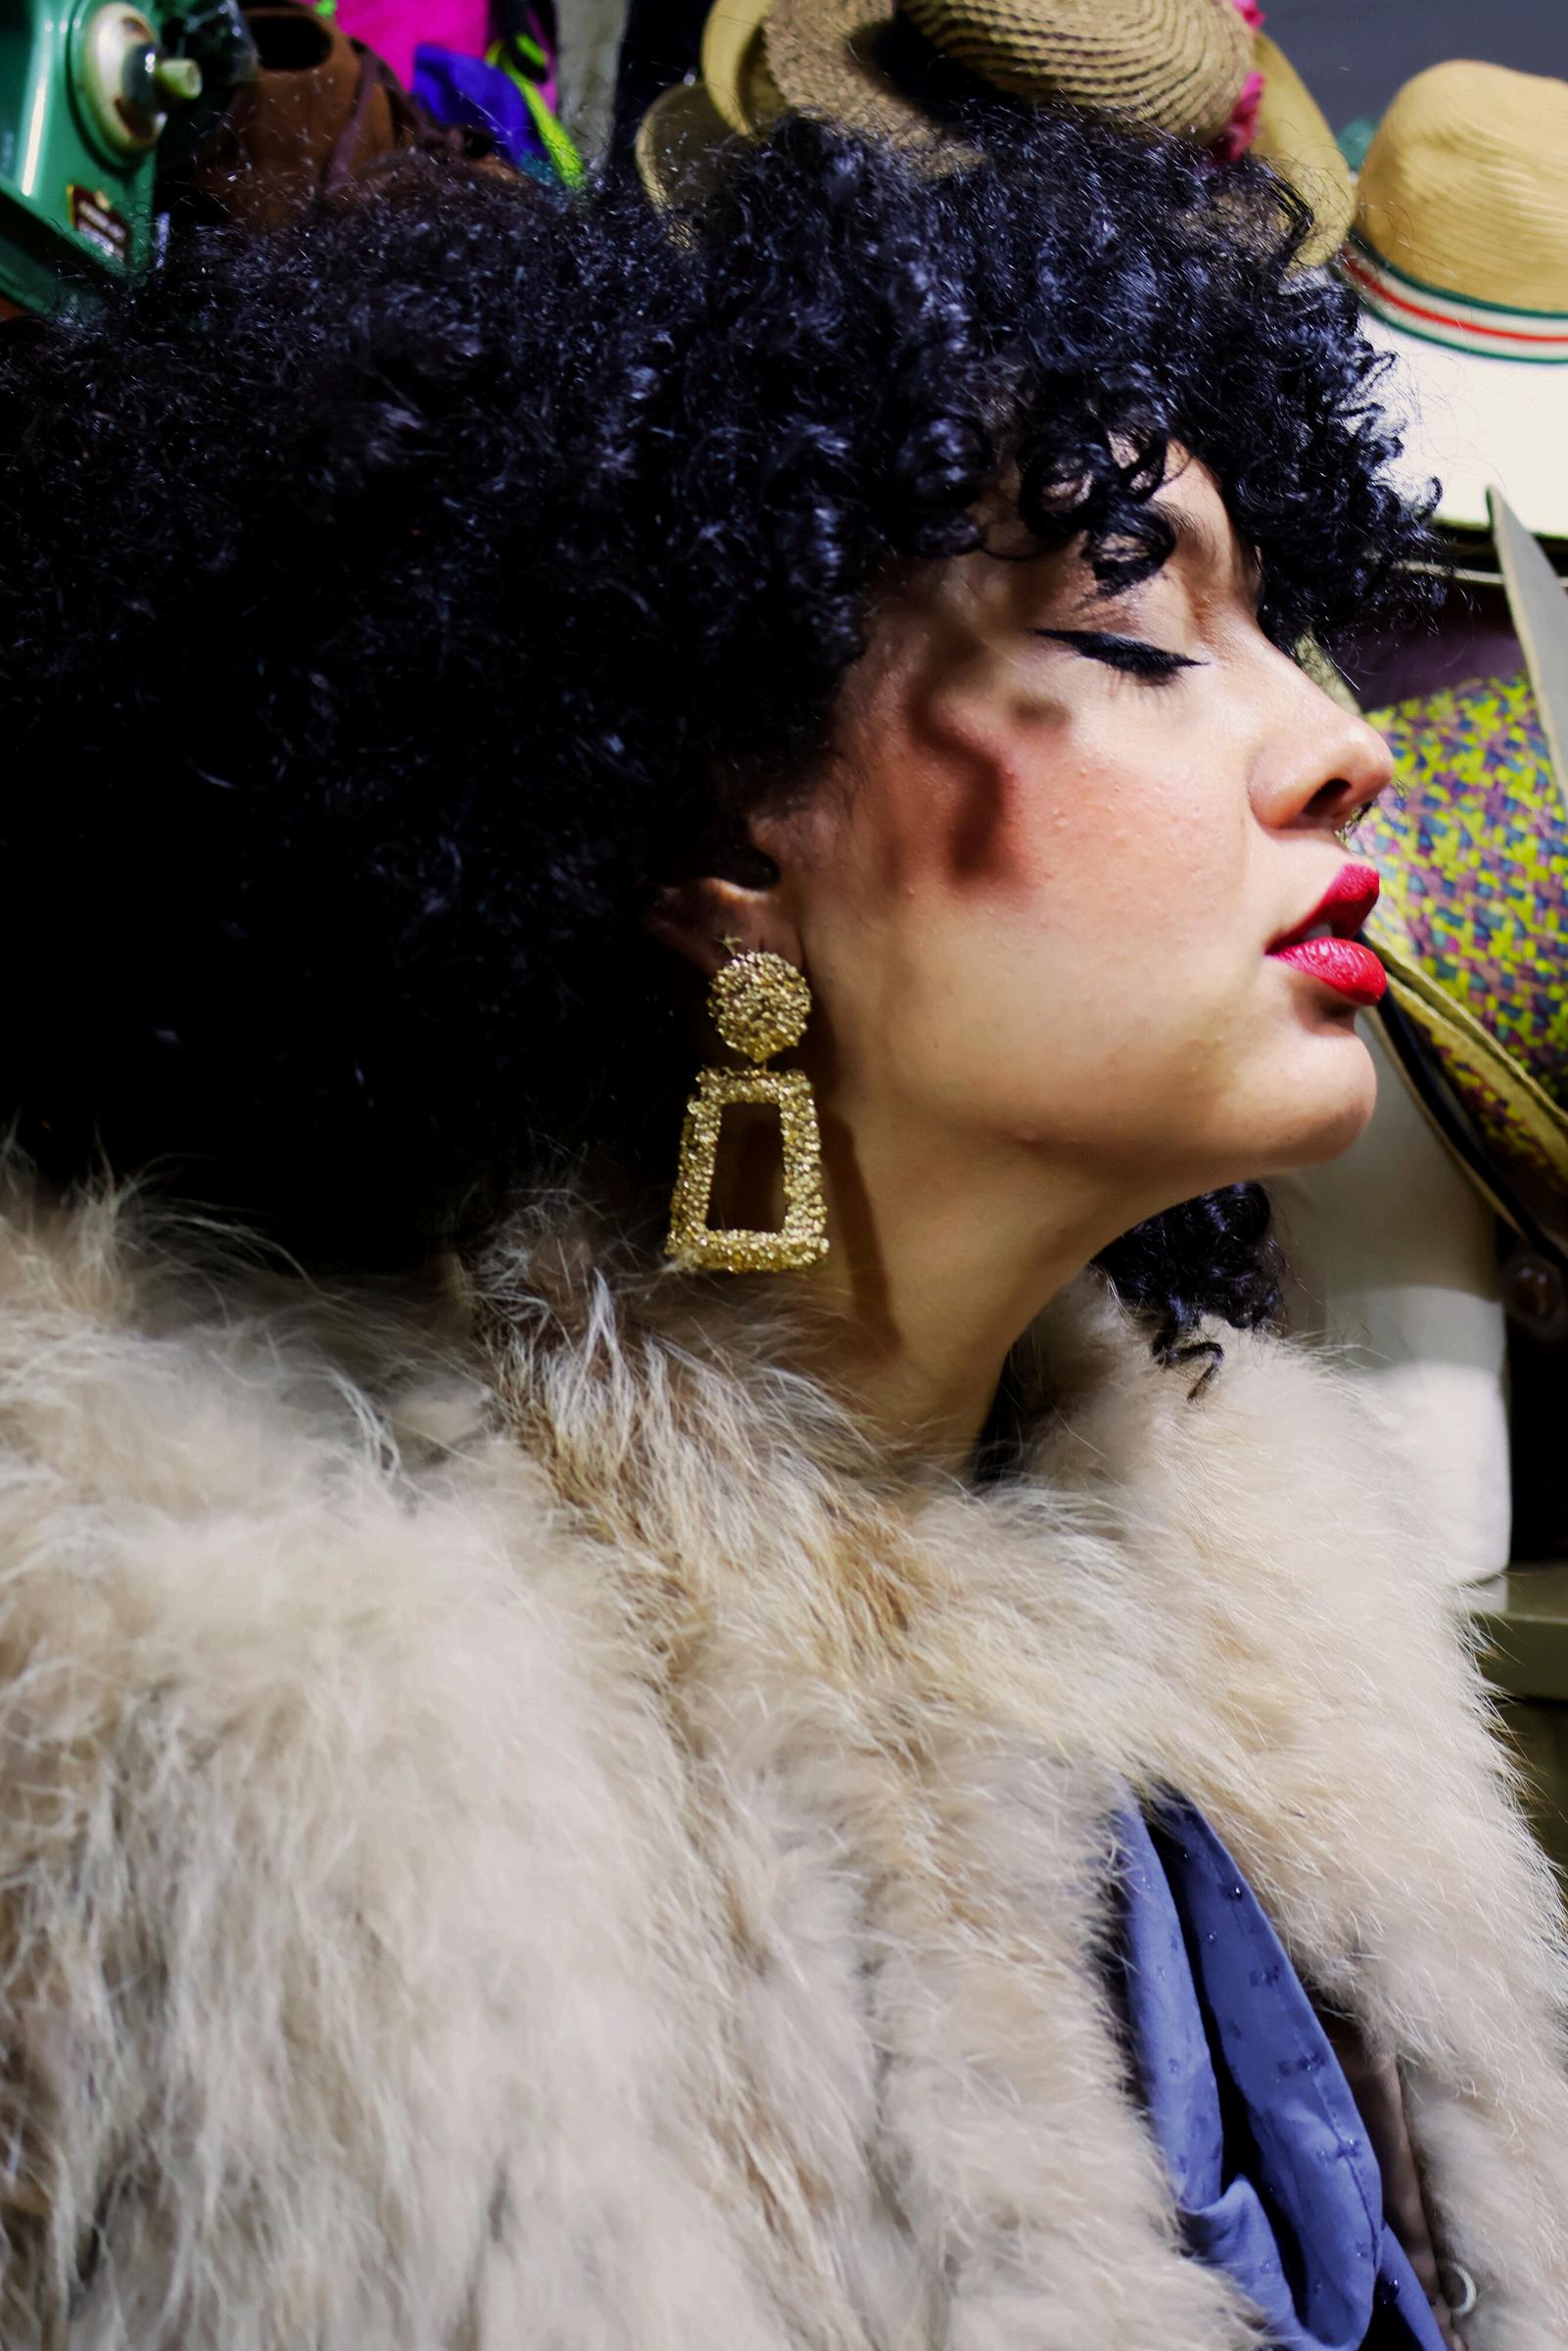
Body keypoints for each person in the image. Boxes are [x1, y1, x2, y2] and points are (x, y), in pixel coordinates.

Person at [0, 97, 1562, 2351]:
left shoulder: (1297, 1614)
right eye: (1137, 629)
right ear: (730, 828)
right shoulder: (232, 1713)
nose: (1346, 747)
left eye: (1281, 630)